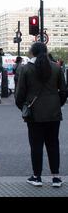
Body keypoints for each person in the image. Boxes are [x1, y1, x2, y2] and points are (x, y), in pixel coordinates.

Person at [15, 42, 67, 188]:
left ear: (33, 52)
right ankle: (56, 177)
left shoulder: (26, 69)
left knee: (36, 145)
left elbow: (20, 94)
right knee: (53, 144)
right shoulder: (56, 67)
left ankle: (37, 177)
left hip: (34, 113)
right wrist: (57, 104)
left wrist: (24, 108)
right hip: (53, 113)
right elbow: (63, 91)